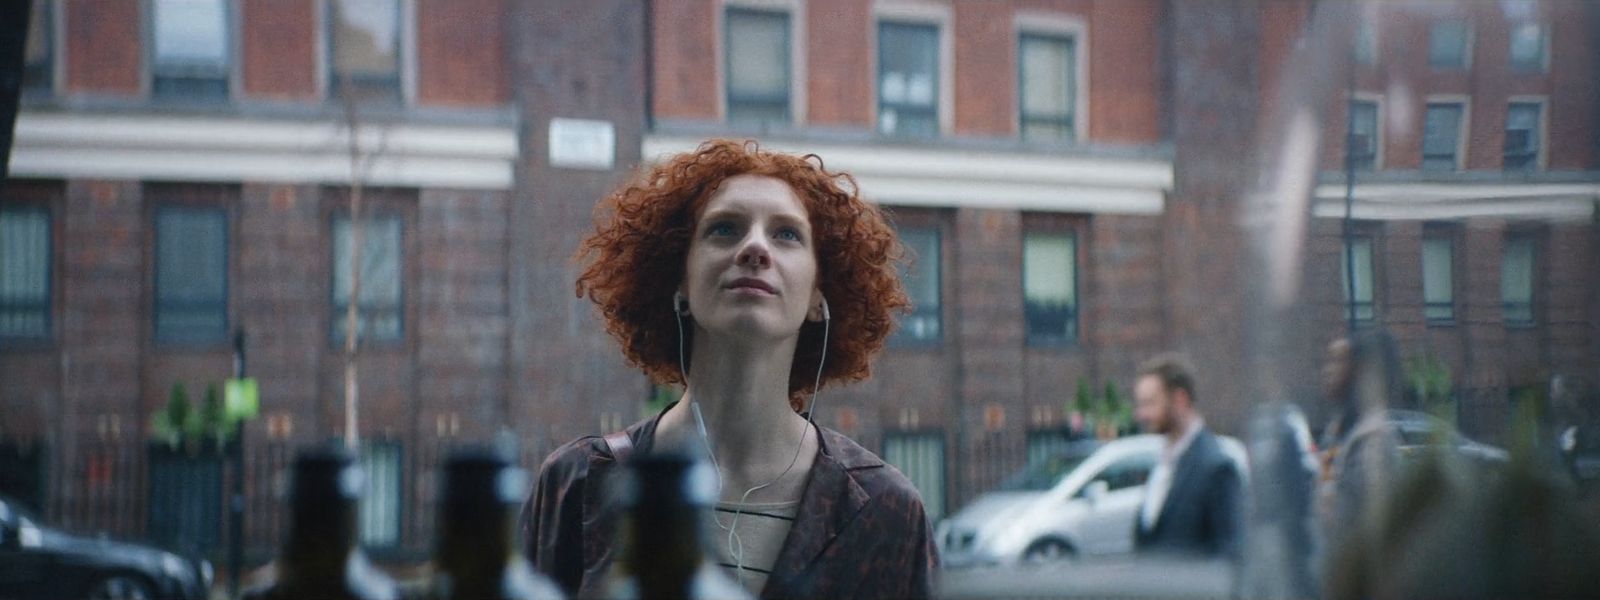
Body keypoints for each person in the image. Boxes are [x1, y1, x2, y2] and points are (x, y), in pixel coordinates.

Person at [520, 139, 938, 599]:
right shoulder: (578, 484)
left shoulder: (884, 509)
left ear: (821, 295)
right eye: (724, 229)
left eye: (786, 234)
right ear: (678, 281)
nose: (755, 247)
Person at [1130, 353, 1244, 558]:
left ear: (1180, 400)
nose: (1141, 415)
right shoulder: (1164, 464)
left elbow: (1229, 554)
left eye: (1150, 404)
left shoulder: (1216, 467)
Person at [1314, 330, 1401, 548]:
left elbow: (1365, 526)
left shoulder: (1373, 441)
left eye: (1338, 361)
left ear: (1357, 372)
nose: (1327, 370)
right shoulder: (1336, 432)